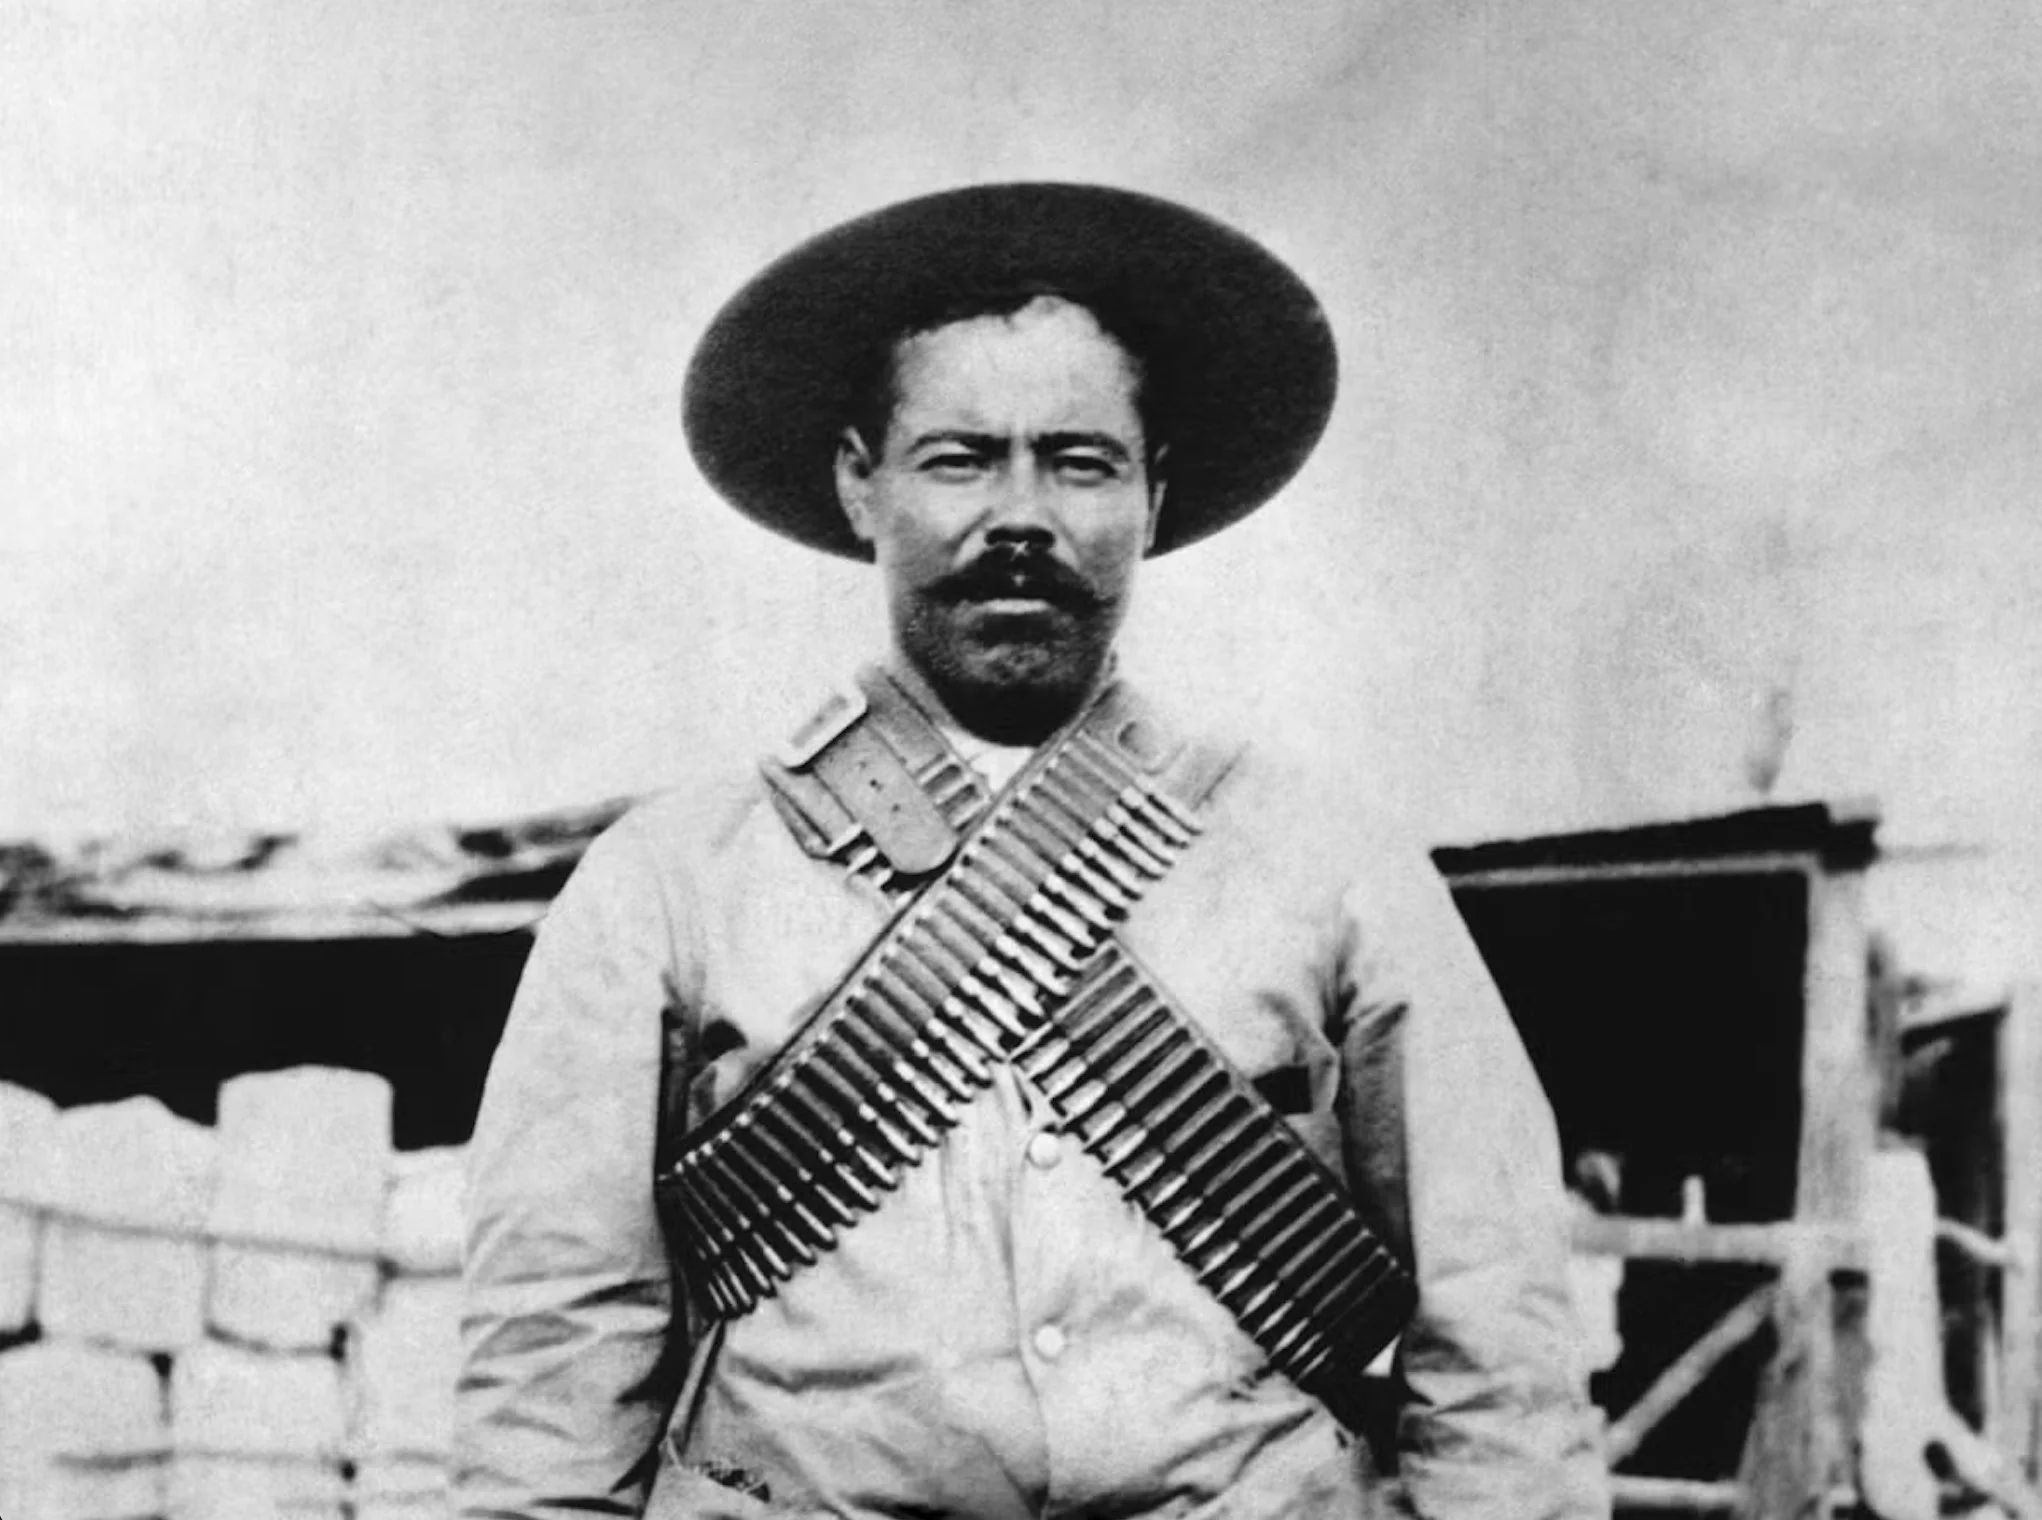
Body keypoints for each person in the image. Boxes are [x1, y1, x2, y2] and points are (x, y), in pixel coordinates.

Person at [457, 183, 1606, 1520]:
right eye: (958, 460)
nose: (1020, 516)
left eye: (1079, 462)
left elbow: (1498, 1337)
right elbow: (551, 1366)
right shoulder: (667, 885)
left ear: (1152, 493)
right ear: (860, 482)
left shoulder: (1334, 869)